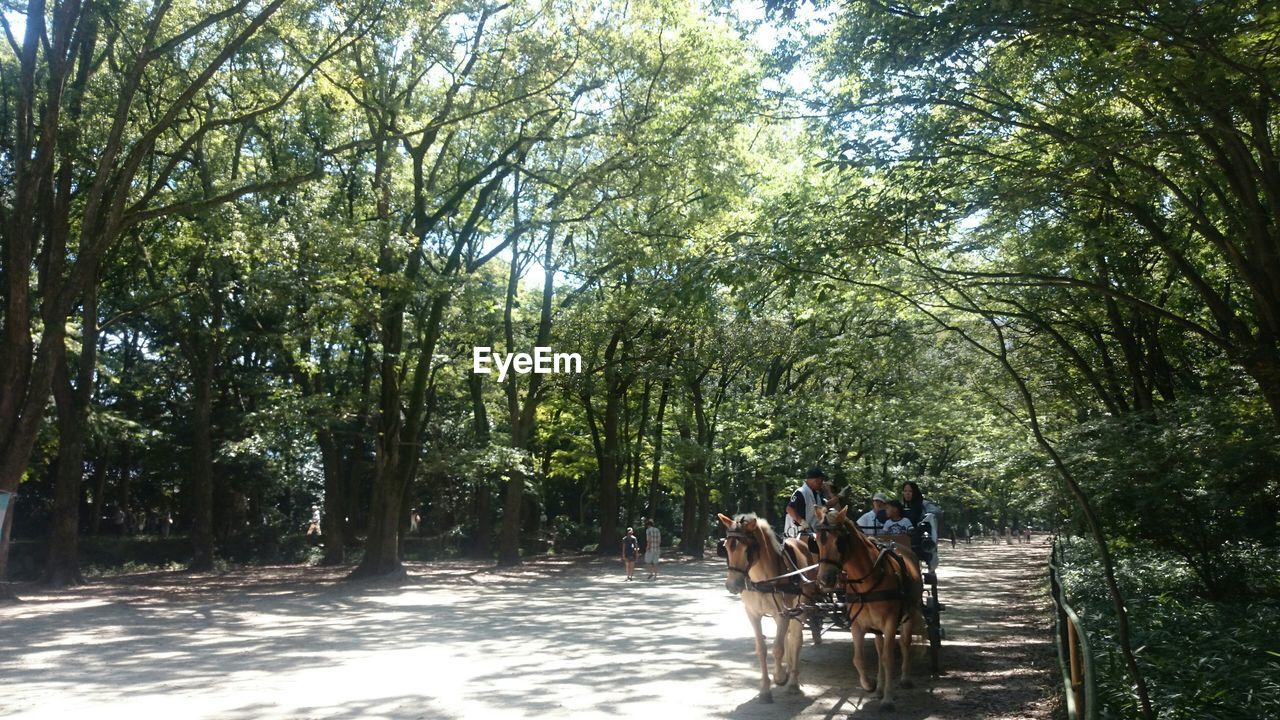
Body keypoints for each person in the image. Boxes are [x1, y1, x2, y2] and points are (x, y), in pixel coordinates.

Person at [784, 467, 834, 538]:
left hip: (813, 532)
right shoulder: (801, 492)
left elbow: (826, 506)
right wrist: (802, 523)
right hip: (798, 533)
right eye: (821, 480)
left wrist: (838, 497)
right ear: (816, 480)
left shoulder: (816, 494)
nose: (822, 483)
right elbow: (789, 509)